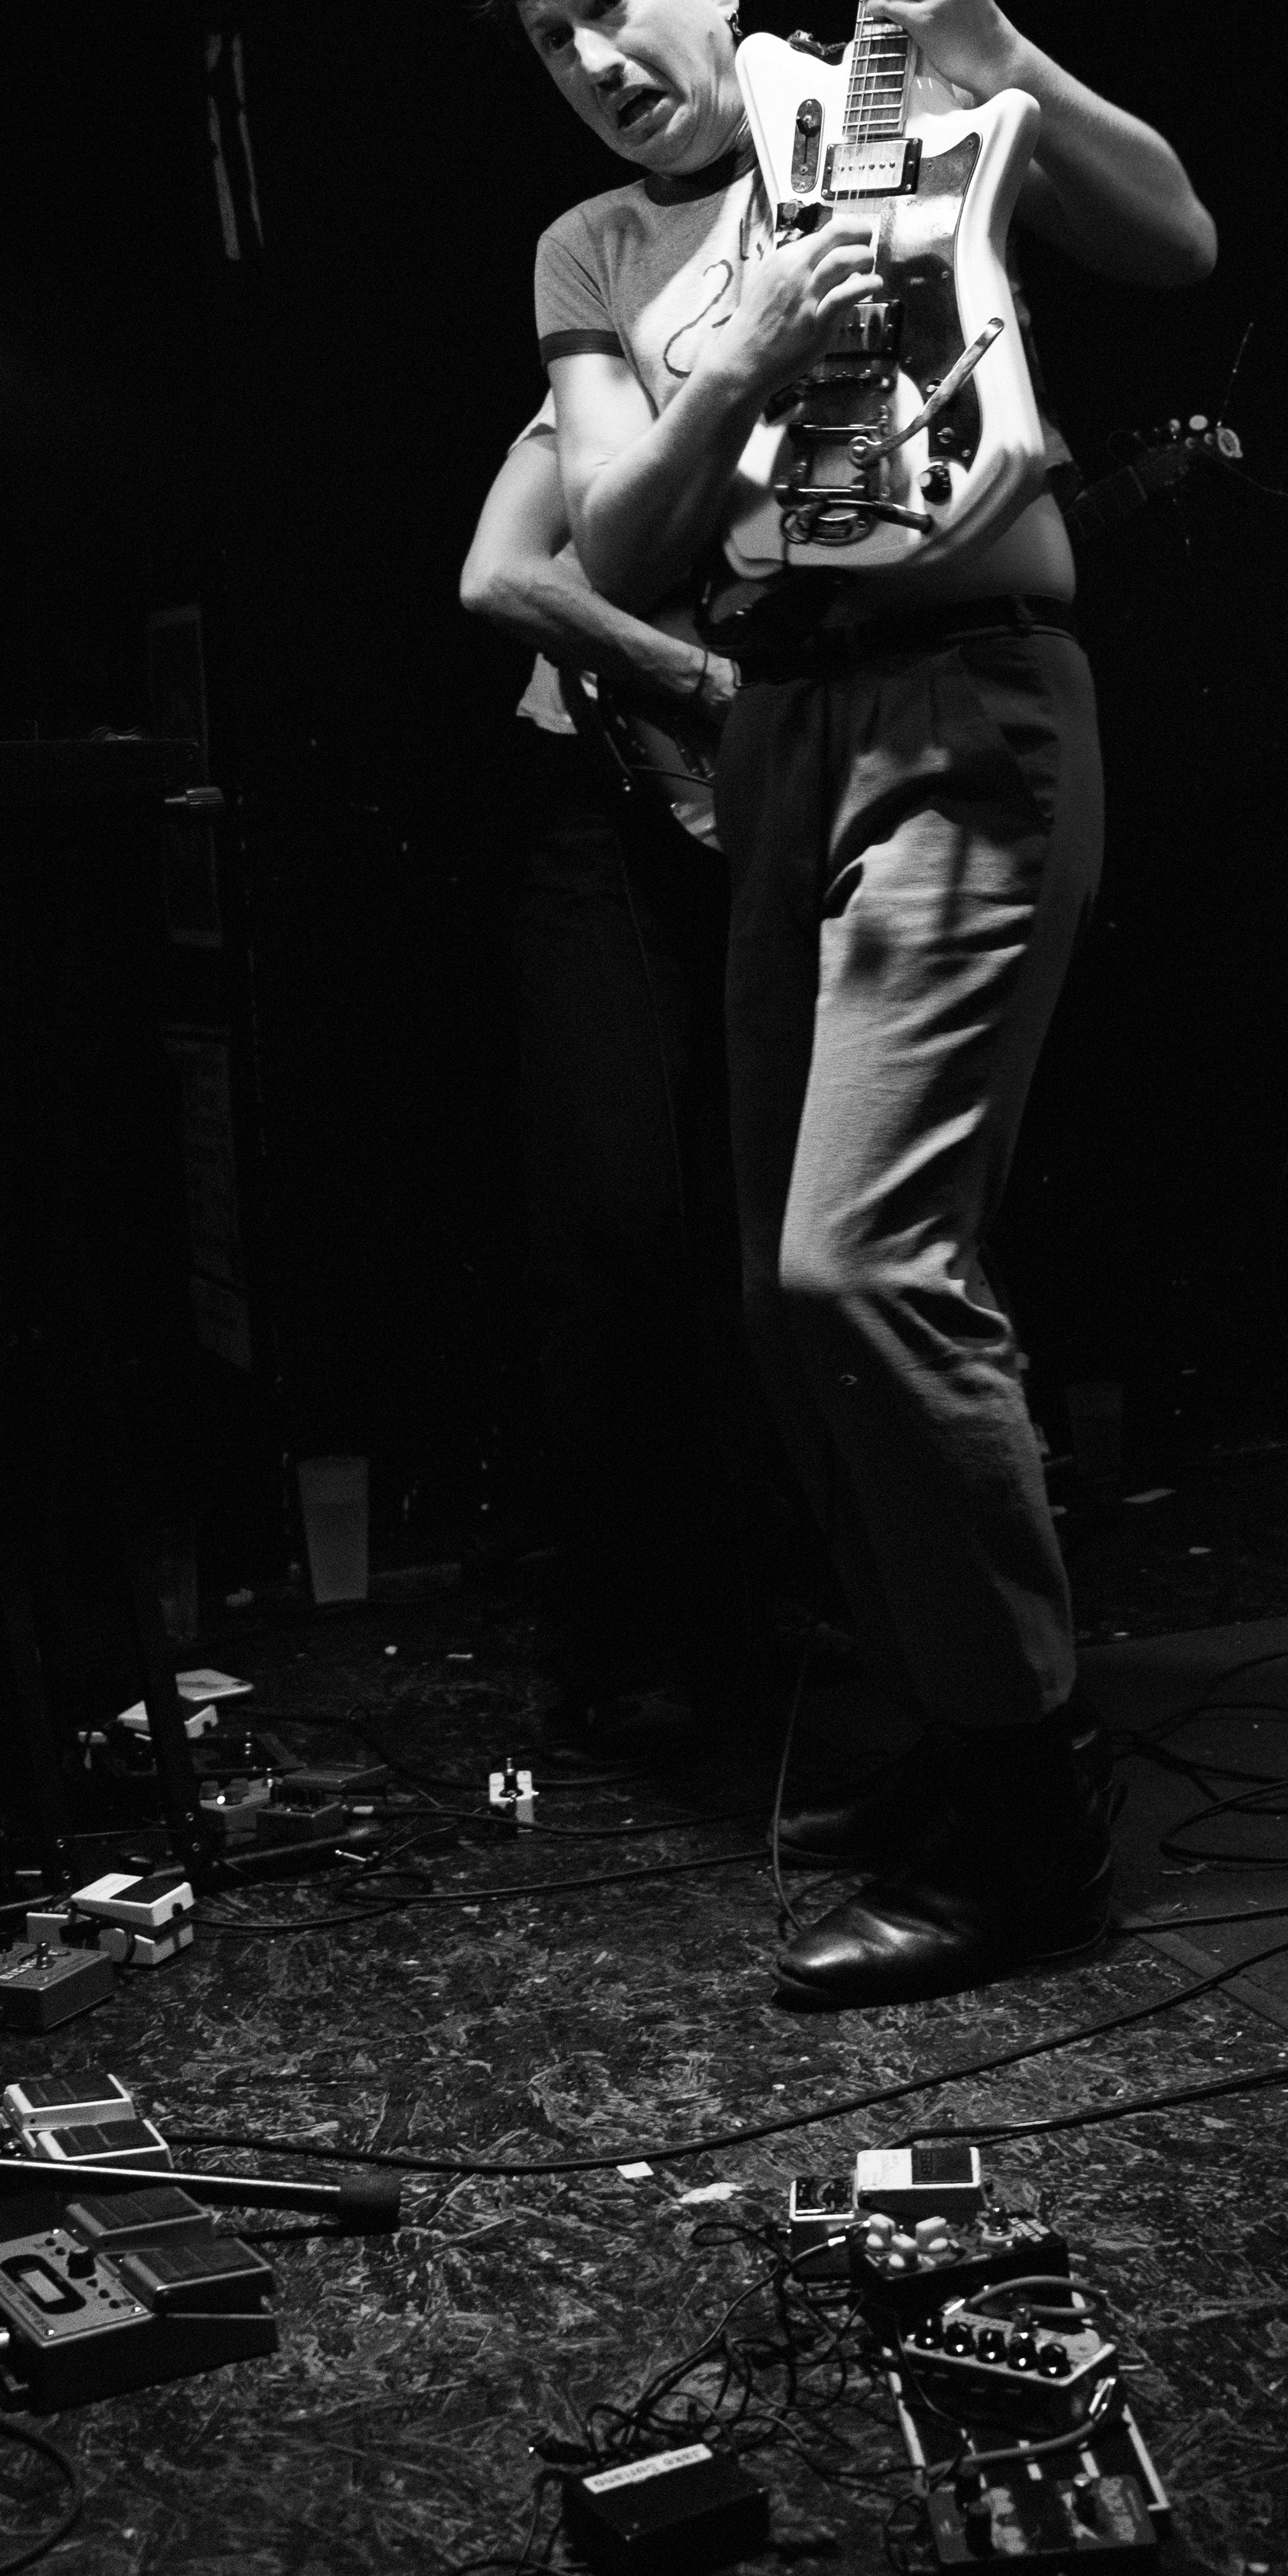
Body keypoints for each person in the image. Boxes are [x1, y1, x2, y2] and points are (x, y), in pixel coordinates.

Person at [470, 0, 1214, 2008]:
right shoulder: (596, 244)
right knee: (792, 1310)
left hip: (965, 699)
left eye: (622, 3)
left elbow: (1170, 236)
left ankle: (1031, 1798)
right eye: (554, 43)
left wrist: (1002, 53)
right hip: (778, 731)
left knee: (863, 1263)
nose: (601, 63)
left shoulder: (870, 103)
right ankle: (959, 1738)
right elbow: (616, 527)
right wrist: (748, 361)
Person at [459, 410, 775, 1729]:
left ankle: (743, 1625)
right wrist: (702, 685)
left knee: (760, 1234)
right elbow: (498, 575)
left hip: (777, 829)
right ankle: (608, 1630)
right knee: (616, 1215)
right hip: (607, 820)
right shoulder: (608, 378)